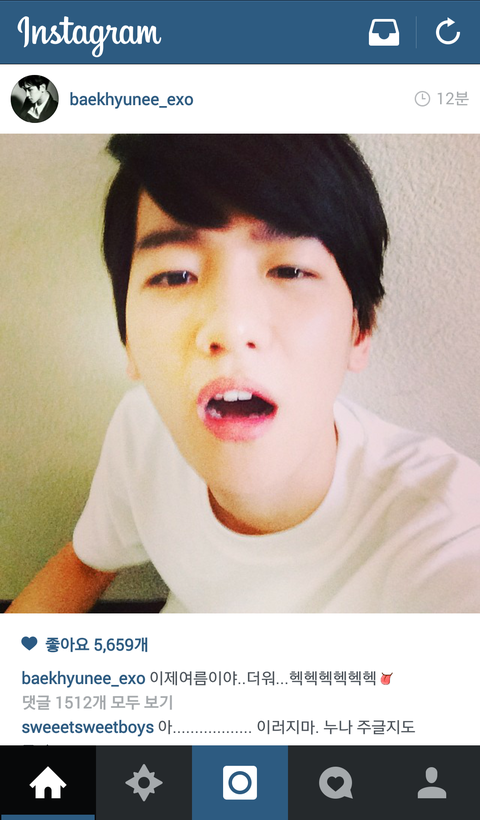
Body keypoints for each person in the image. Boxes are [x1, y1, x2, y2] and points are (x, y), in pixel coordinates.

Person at [7, 134, 480, 614]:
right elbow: (86, 565)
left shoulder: (447, 530)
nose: (231, 328)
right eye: (174, 276)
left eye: (290, 270)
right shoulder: (142, 429)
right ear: (128, 341)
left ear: (360, 330)